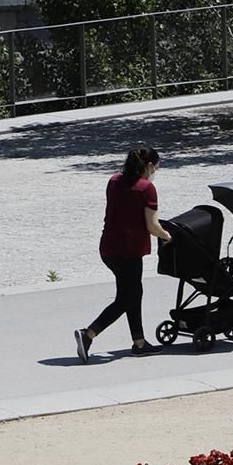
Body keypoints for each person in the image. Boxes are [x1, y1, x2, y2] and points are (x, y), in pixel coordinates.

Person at [75, 146, 173, 362]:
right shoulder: (146, 188)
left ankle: (139, 343)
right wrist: (167, 236)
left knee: (132, 292)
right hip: (129, 251)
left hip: (108, 248)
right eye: (156, 166)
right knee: (128, 297)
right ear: (148, 165)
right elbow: (152, 226)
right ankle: (88, 334)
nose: (156, 170)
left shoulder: (114, 181)